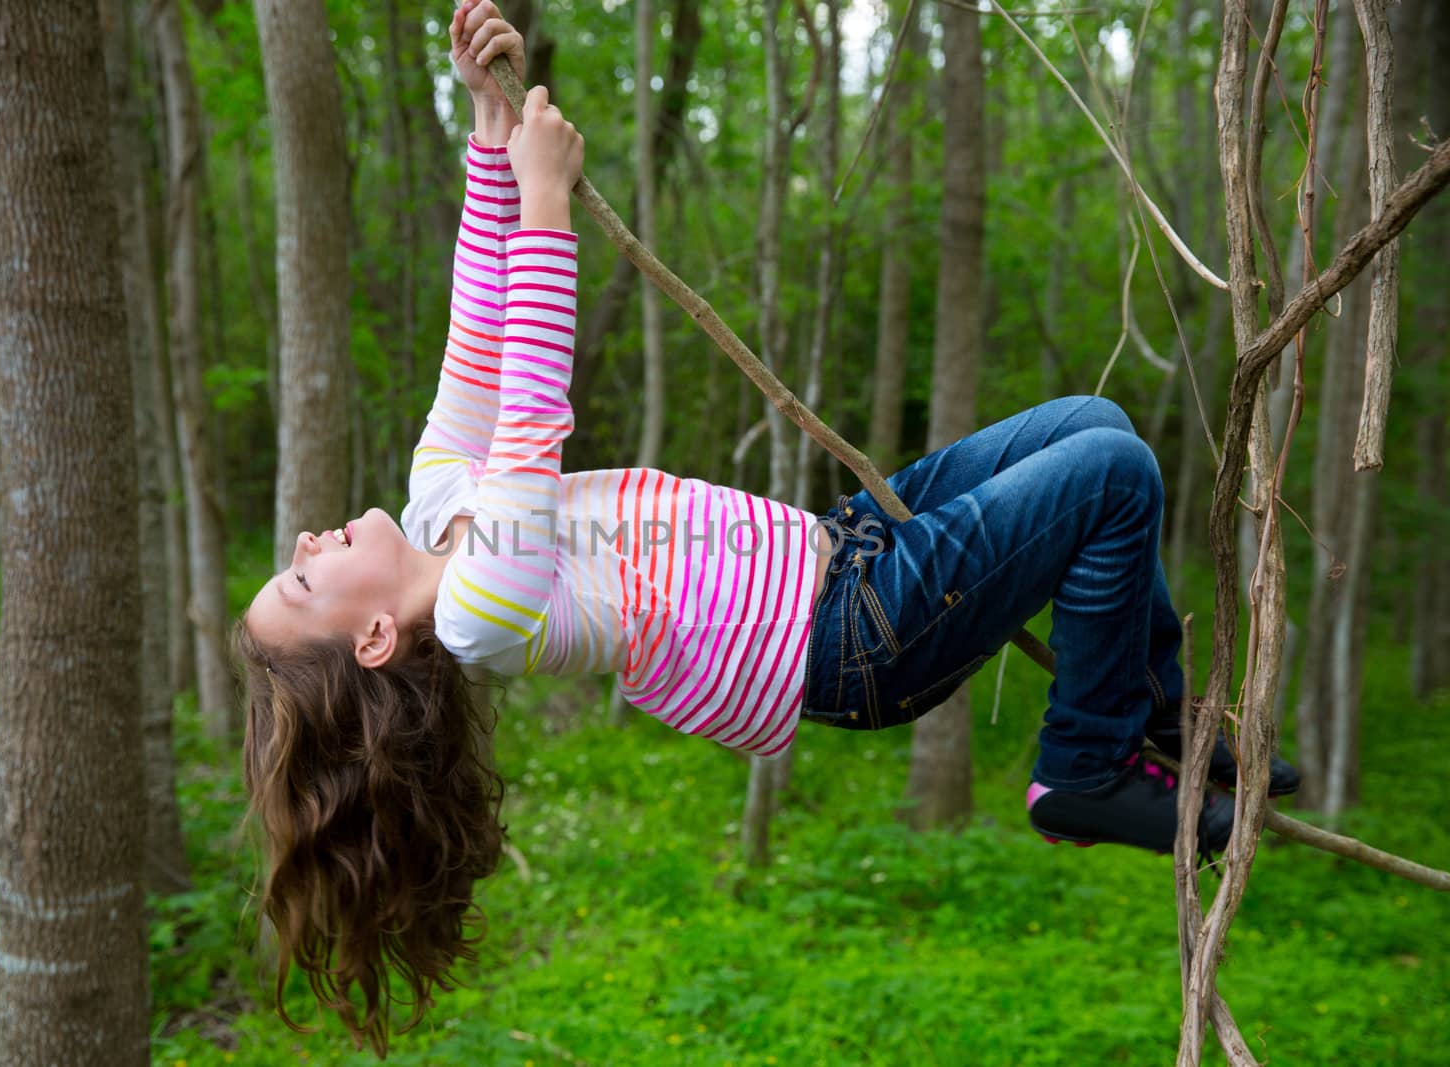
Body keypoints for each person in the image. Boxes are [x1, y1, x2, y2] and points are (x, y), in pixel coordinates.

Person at [234, 1, 1298, 1054]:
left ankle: (1148, 708)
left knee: (1090, 423)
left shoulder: (437, 502)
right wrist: (547, 206)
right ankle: (1079, 764)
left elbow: (479, 331)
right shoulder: (479, 612)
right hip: (854, 635)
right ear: (372, 638)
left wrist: (489, 131)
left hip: (848, 546)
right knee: (1114, 472)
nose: (304, 546)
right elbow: (529, 411)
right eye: (300, 584)